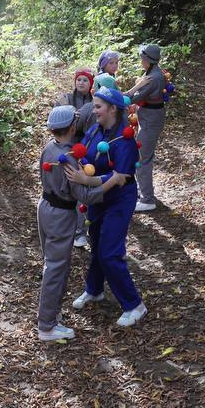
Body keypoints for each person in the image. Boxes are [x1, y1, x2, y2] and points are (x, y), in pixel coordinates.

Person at [66, 85, 148, 327]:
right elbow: (85, 156)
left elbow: (119, 176)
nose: (94, 109)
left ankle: (134, 305)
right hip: (97, 198)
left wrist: (86, 181)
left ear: (113, 108)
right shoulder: (94, 130)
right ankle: (94, 289)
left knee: (110, 252)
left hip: (119, 199)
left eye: (98, 106)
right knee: (97, 245)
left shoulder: (125, 139)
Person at [36, 105, 107, 341]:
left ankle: (50, 317)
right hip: (60, 214)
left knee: (51, 264)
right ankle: (46, 325)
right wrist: (109, 184)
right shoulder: (69, 159)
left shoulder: (49, 148)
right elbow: (84, 196)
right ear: (73, 127)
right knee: (56, 269)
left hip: (45, 207)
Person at [127, 43, 168, 213]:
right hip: (148, 118)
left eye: (142, 58)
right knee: (142, 156)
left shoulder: (154, 78)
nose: (140, 61)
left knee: (143, 159)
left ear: (147, 60)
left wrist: (135, 87)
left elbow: (131, 98)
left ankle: (147, 199)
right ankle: (145, 192)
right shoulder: (152, 72)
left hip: (151, 121)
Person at [58, 69, 94, 248]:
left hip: (86, 148)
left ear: (90, 84)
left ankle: (81, 232)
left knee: (81, 188)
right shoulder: (66, 98)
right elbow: (56, 120)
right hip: (67, 147)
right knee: (65, 186)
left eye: (85, 81)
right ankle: (66, 227)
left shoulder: (95, 102)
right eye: (78, 80)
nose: (80, 83)